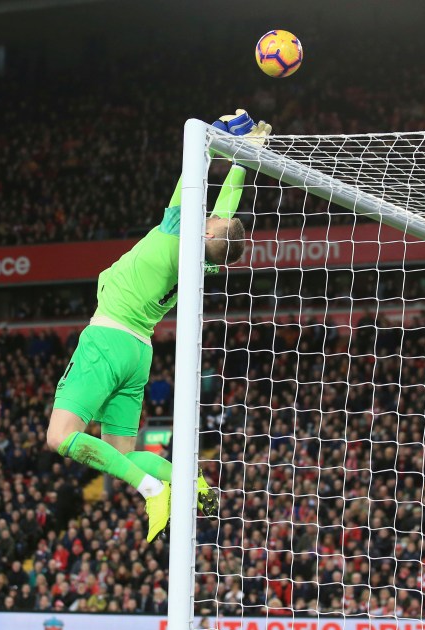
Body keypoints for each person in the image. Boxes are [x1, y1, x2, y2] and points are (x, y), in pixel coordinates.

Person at [46, 110, 270, 541]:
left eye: (211, 222)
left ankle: (152, 489)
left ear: (207, 235)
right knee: (119, 453)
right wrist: (242, 159)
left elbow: (191, 174)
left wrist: (210, 139)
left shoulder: (177, 233)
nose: (208, 216)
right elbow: (227, 209)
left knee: (60, 437)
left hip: (107, 340)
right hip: (139, 352)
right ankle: (192, 481)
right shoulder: (206, 262)